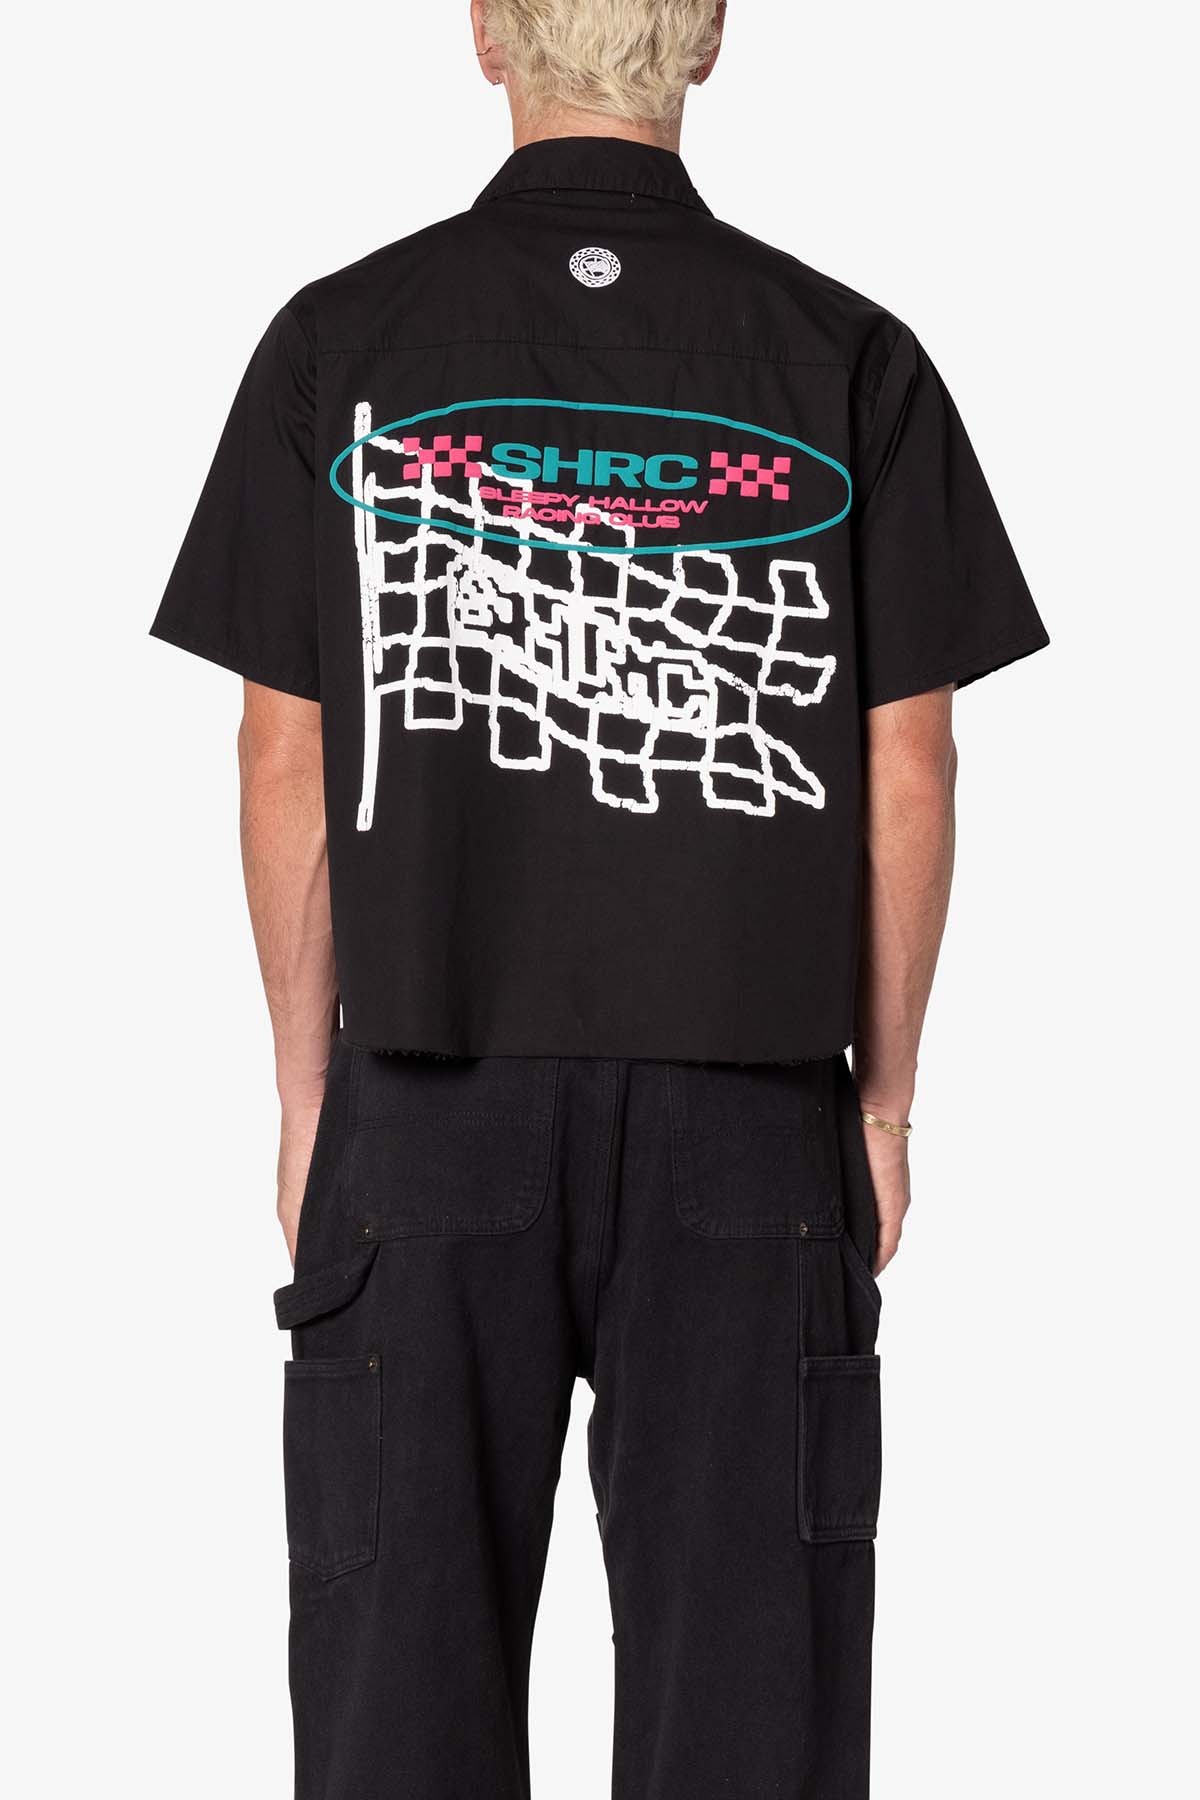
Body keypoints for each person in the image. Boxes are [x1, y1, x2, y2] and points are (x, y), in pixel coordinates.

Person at [150, 3, 1048, 1794]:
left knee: (398, 1711)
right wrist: (882, 1103)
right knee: (753, 1721)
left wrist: (307, 1097)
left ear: (487, 35)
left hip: (426, 1102)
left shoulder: (341, 342)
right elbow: (911, 768)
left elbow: (283, 755)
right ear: (709, 38)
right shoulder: (847, 356)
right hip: (750, 1119)